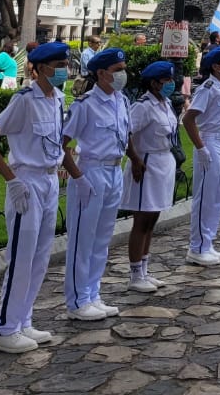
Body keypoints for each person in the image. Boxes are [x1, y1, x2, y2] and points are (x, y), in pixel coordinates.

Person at [0, 41, 77, 354]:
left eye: (65, 63)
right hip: (28, 182)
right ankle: (5, 329)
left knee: (40, 256)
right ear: (42, 68)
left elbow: (55, 144)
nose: (64, 68)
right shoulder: (25, 100)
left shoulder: (58, 97)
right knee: (21, 257)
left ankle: (23, 320)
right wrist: (12, 180)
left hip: (49, 180)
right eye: (59, 64)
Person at [61, 48, 132, 320]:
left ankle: (93, 293)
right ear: (101, 73)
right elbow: (62, 143)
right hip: (91, 170)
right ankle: (77, 301)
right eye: (117, 70)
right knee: (83, 238)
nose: (122, 75)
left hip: (114, 170)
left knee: (102, 238)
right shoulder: (85, 104)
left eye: (123, 68)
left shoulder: (121, 101)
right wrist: (77, 177)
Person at [121, 61, 178, 294]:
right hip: (147, 163)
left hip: (163, 162)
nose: (170, 84)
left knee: (153, 219)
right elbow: (126, 133)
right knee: (142, 220)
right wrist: (135, 160)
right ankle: (135, 274)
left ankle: (144, 269)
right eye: (166, 81)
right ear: (154, 83)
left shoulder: (164, 104)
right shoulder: (143, 106)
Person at [183, 45, 220, 266]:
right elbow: (188, 119)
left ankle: (208, 242)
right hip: (210, 141)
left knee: (217, 196)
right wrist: (201, 147)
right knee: (205, 196)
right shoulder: (208, 87)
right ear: (216, 65)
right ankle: (197, 246)